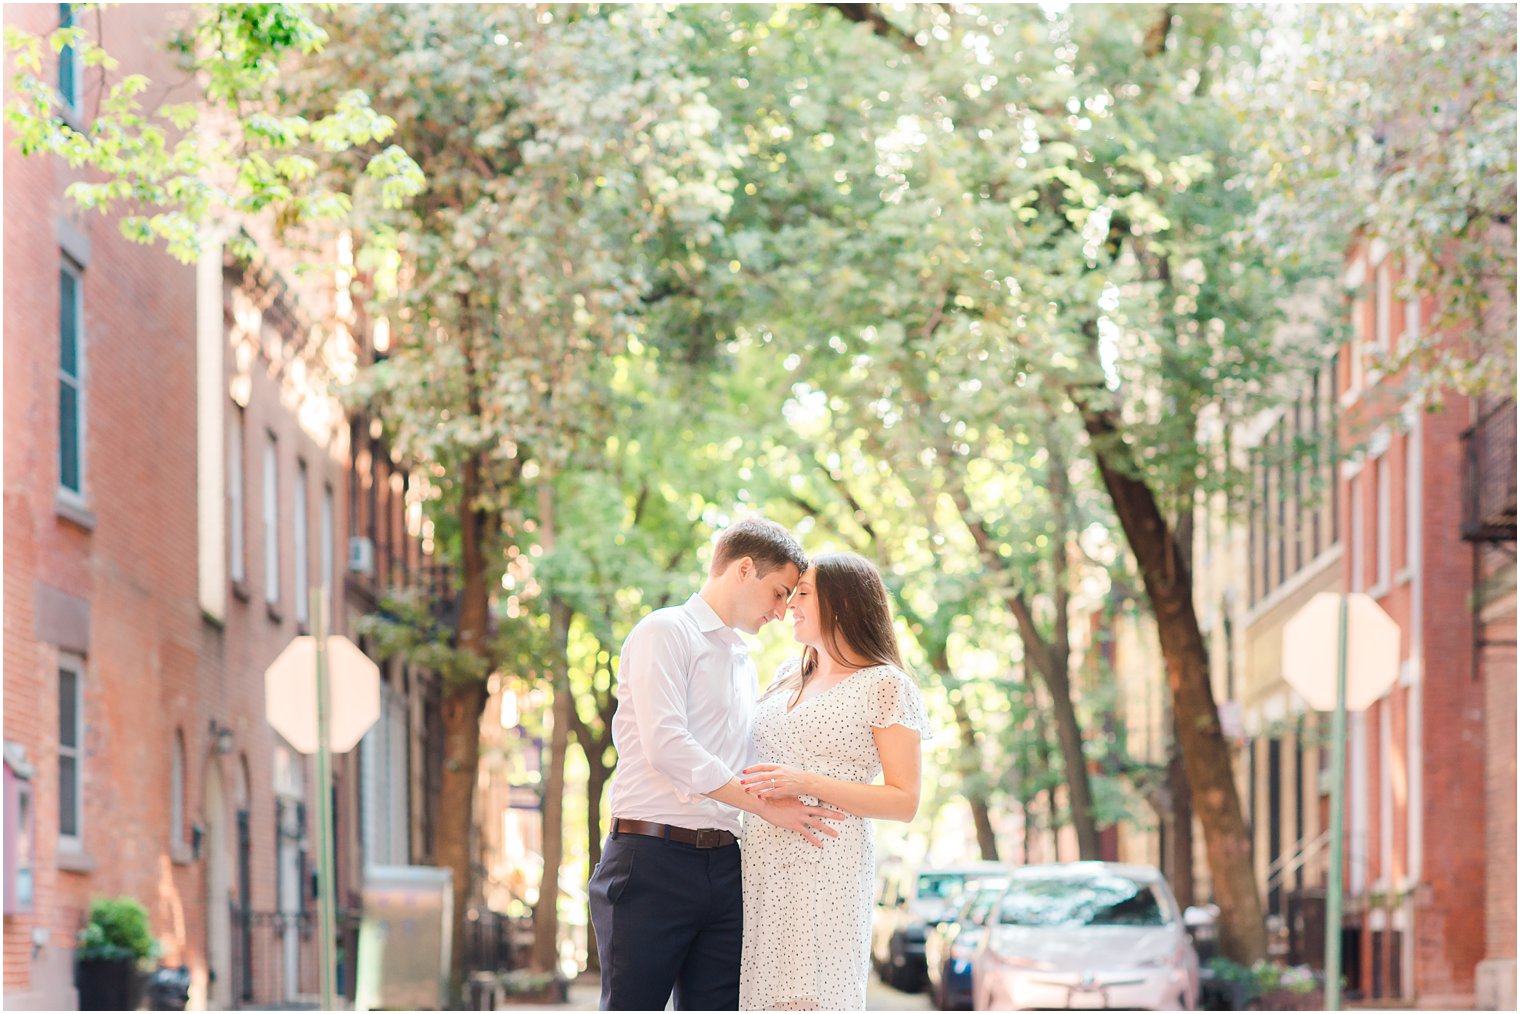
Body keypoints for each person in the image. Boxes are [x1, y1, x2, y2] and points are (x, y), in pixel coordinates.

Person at [589, 517, 843, 1011]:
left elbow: (742, 760)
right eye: (778, 593)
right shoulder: (665, 632)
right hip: (651, 858)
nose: (780, 610)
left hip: (727, 866)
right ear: (743, 569)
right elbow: (668, 746)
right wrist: (764, 806)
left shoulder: (743, 663)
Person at [737, 552, 932, 1011]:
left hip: (827, 869)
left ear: (842, 602)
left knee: (810, 997)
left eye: (802, 594)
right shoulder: (789, 674)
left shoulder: (885, 684)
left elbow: (904, 800)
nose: (789, 606)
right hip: (761, 866)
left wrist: (807, 781)